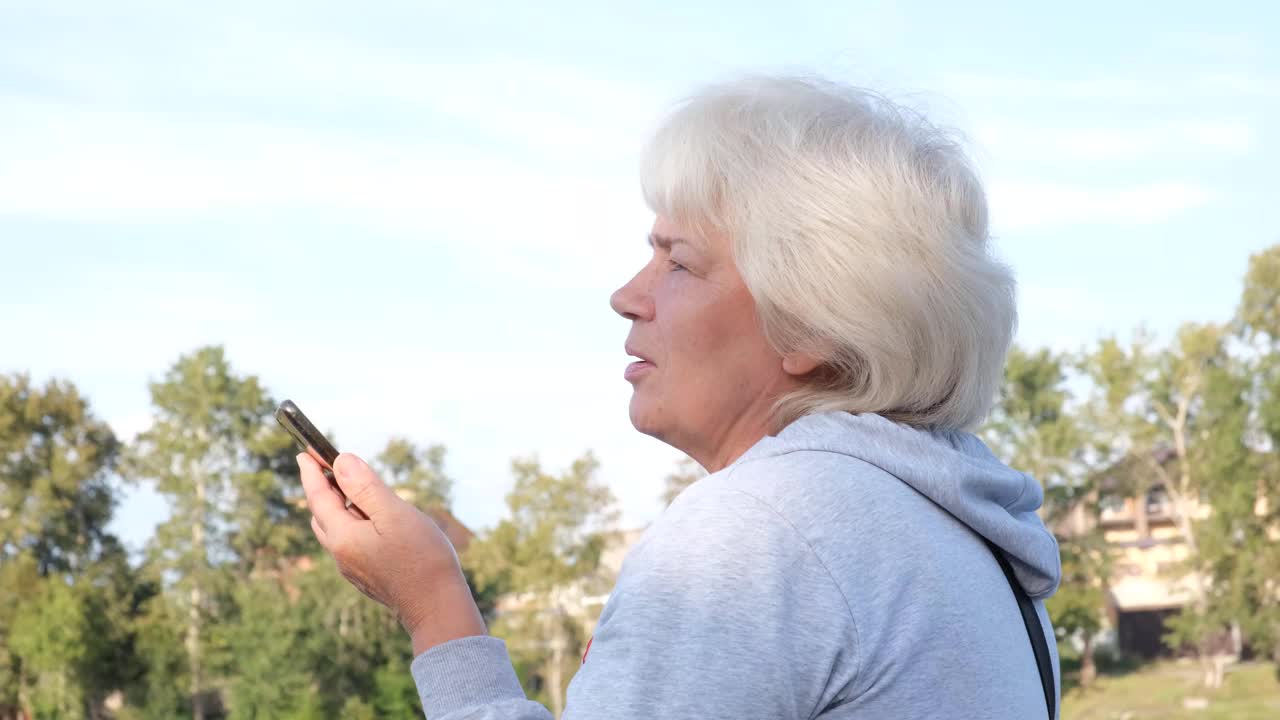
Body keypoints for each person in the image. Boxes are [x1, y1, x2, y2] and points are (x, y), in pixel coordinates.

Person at [296, 74, 1062, 719]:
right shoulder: (968, 541)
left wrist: (433, 605)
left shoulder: (763, 533)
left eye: (680, 264)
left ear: (813, 324)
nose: (627, 296)